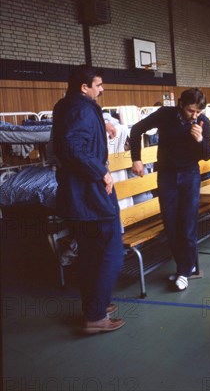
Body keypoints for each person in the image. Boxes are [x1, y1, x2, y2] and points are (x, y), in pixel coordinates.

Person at [52, 65, 125, 333]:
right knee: (110, 252)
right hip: (90, 193)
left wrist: (101, 124)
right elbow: (72, 147)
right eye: (99, 85)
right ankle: (95, 317)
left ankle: (96, 305)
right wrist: (102, 172)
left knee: (90, 253)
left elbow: (71, 135)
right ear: (85, 88)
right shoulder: (81, 108)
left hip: (77, 196)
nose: (102, 89)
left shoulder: (67, 105)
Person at [129, 88, 210, 292]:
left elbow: (207, 155)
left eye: (198, 112)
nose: (195, 116)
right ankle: (185, 266)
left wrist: (200, 140)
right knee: (171, 224)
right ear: (180, 105)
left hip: (190, 176)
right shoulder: (165, 115)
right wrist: (136, 158)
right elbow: (136, 130)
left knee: (188, 224)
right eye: (191, 111)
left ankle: (184, 271)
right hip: (166, 176)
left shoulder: (203, 122)